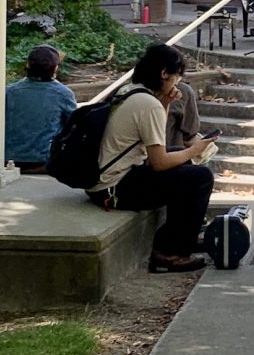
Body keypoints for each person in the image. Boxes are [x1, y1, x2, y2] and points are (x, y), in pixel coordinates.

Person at [88, 44, 216, 273]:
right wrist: (196, 149)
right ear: (164, 73)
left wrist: (165, 103)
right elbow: (159, 162)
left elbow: (158, 146)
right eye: (177, 76)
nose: (177, 83)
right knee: (201, 176)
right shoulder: (148, 104)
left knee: (183, 163)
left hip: (106, 181)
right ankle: (169, 251)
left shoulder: (130, 91)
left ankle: (183, 236)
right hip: (115, 188)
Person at [4, 44, 77, 172]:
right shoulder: (63, 93)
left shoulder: (9, 92)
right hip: (44, 161)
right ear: (55, 69)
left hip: (9, 160)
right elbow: (74, 125)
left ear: (27, 65)